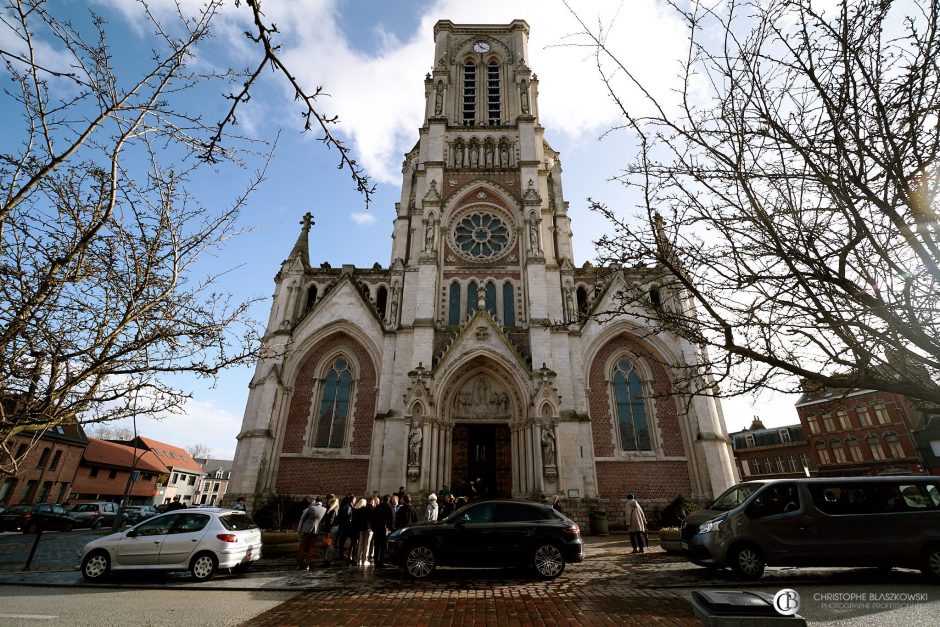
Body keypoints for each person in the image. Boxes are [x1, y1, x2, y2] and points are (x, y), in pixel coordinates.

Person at [297, 496, 326, 570]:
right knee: (311, 548)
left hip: (306, 529)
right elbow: (322, 521)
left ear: (316, 501)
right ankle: (307, 564)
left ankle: (300, 562)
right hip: (315, 531)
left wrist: (299, 529)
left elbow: (303, 519)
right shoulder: (324, 510)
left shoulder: (311, 508)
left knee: (303, 546)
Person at [371, 494, 395, 567]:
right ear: (388, 499)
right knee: (383, 547)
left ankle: (375, 561)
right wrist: (392, 528)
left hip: (377, 528)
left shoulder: (378, 507)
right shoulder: (389, 507)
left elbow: (373, 518)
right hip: (384, 529)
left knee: (377, 546)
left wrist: (373, 528)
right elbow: (392, 519)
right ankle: (381, 562)